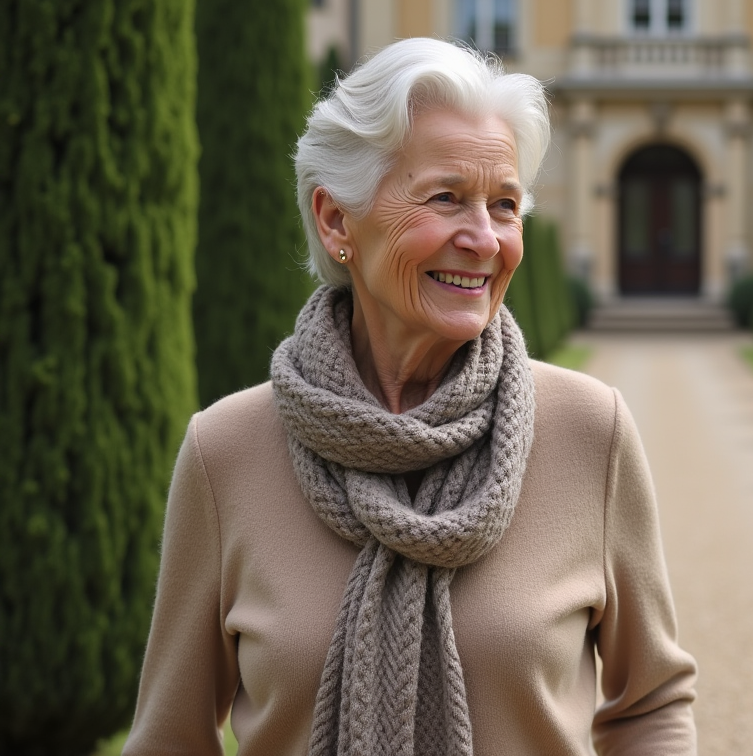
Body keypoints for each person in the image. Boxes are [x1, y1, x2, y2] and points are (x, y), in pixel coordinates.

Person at [123, 38, 697, 756]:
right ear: (336, 221)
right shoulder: (227, 451)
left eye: (506, 205)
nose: (485, 239)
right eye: (447, 198)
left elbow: (651, 704)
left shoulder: (590, 431)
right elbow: (170, 738)